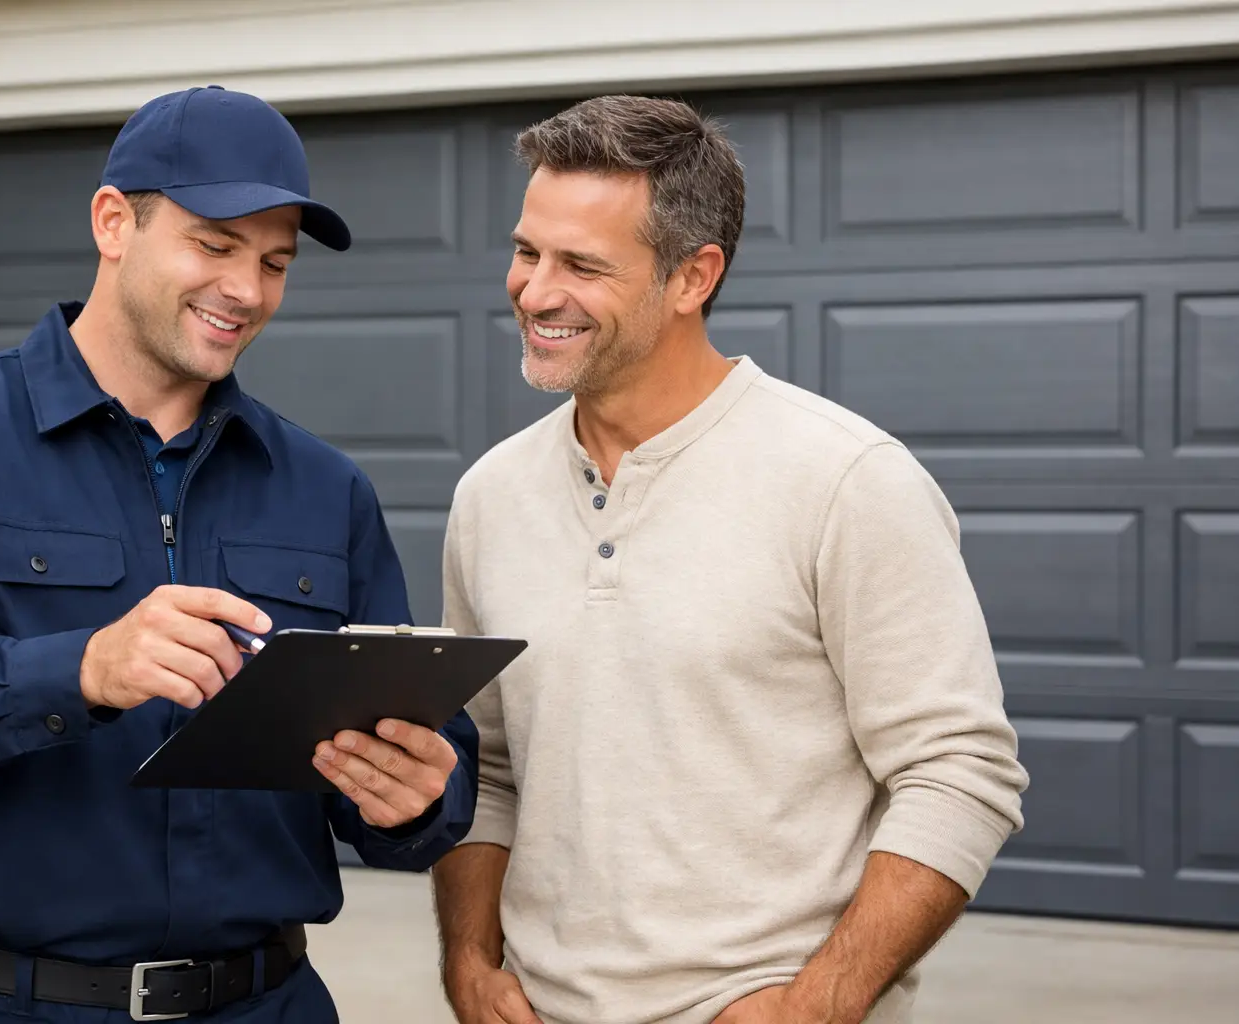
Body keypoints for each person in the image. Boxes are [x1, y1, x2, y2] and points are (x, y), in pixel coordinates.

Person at [0, 85, 480, 1024]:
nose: (247, 289)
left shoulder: (324, 486)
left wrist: (417, 798)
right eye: (214, 244)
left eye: (275, 261)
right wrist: (79, 669)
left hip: (264, 1005)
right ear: (115, 222)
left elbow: (407, 777)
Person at [429, 94, 1030, 1024]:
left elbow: (959, 772)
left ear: (691, 276)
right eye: (526, 251)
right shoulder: (490, 496)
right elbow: (489, 769)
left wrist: (817, 1004)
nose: (535, 291)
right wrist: (469, 962)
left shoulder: (844, 480)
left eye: (582, 264)